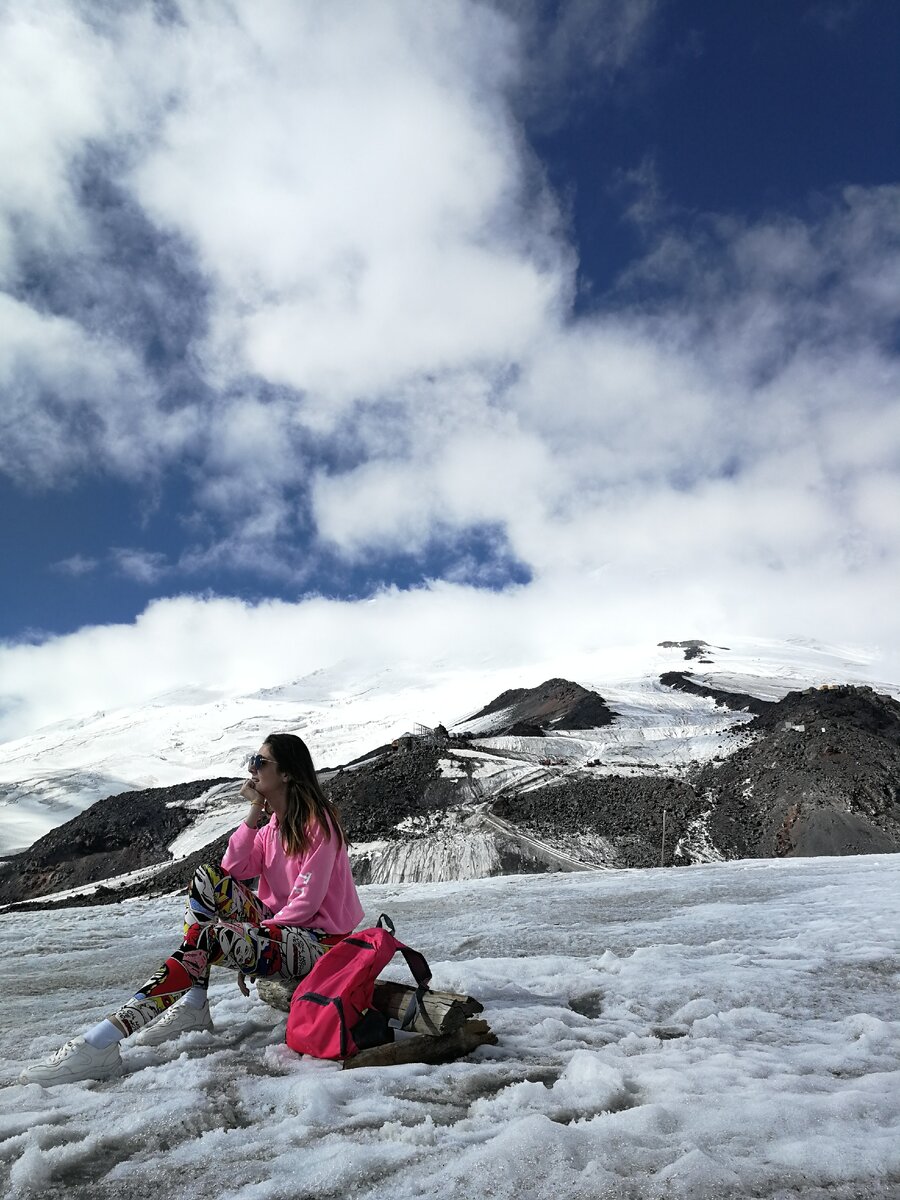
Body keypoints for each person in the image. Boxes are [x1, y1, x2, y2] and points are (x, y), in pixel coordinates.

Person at [21, 733, 364, 1086]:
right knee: (207, 877)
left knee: (212, 937)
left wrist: (255, 936)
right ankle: (195, 1001)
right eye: (251, 760)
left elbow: (305, 904)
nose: (252, 769)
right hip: (282, 931)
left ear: (288, 773)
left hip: (322, 944)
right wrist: (252, 815)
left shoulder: (318, 823)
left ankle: (101, 1041)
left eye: (260, 762)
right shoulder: (271, 828)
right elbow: (234, 870)